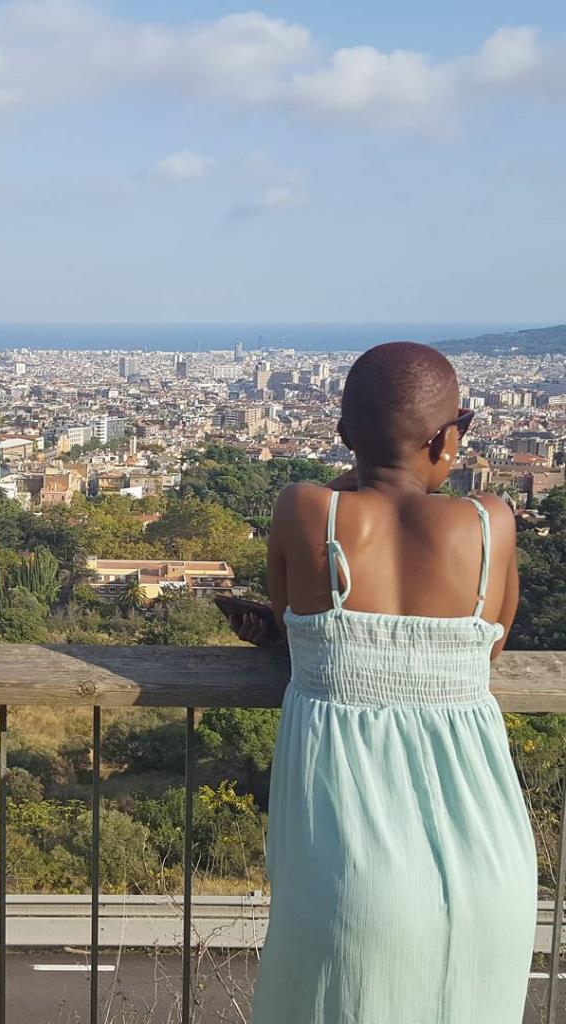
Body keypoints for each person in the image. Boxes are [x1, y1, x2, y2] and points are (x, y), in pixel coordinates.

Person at [229, 342, 536, 1023]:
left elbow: (291, 619)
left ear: (344, 436)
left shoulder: (305, 510)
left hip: (346, 874)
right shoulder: (491, 524)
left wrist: (363, 463)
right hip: (490, 867)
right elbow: (487, 653)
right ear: (449, 436)